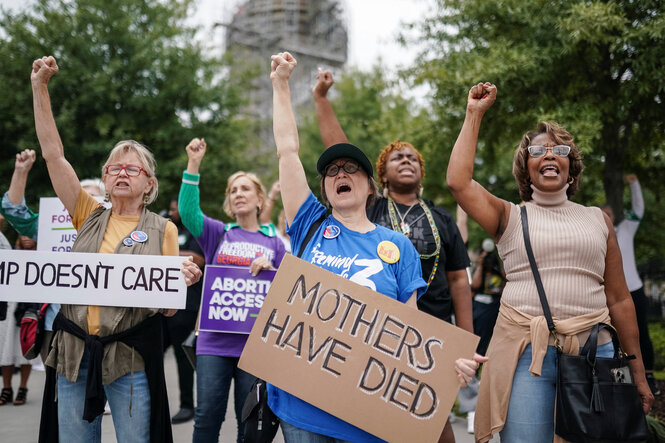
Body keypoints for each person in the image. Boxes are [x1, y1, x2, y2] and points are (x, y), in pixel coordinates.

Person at [269, 51, 476, 442]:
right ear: (326, 188)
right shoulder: (310, 223)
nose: (340, 174)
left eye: (350, 169)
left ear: (369, 186)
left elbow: (409, 334)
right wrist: (280, 84)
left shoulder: (398, 247)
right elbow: (287, 151)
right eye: (332, 171)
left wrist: (452, 363)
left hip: (368, 414)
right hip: (304, 409)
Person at [446, 82, 654, 442]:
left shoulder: (598, 219)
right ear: (526, 169)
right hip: (527, 353)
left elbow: (620, 299)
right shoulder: (508, 216)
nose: (549, 156)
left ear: (570, 166)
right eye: (538, 151)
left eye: (559, 150)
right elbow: (458, 182)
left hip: (596, 352)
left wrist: (637, 372)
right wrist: (474, 114)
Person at [31, 55, 202, 443]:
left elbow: (169, 307)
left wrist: (179, 279)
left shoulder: (163, 229)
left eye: (133, 169)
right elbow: (53, 155)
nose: (122, 173)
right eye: (114, 168)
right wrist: (40, 88)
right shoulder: (86, 212)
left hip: (130, 362)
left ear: (150, 184)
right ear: (105, 180)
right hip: (73, 357)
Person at [178, 138, 286, 443]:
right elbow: (188, 212)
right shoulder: (217, 233)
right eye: (233, 190)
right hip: (213, 343)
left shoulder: (274, 243)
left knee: (249, 422)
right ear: (229, 202)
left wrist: (273, 268)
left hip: (254, 348)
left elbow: (285, 293)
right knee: (207, 417)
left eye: (245, 189)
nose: (238, 194)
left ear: (259, 199)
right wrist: (194, 164)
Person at [1, 148, 105, 362]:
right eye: (78, 196)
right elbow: (14, 212)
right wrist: (21, 172)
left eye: (91, 197)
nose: (83, 202)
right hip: (55, 324)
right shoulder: (51, 224)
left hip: (104, 327)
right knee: (57, 392)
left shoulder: (117, 227)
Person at [601, 174, 659, 396]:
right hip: (611, 294)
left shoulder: (625, 229)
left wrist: (635, 184)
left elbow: (639, 209)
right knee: (615, 337)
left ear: (613, 216)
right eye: (602, 214)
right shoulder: (596, 235)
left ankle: (649, 377)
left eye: (609, 214)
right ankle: (622, 381)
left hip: (633, 290)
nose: (606, 217)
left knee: (640, 334)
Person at [164, 198, 205, 424]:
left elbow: (198, 259)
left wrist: (166, 255)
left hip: (188, 305)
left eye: (174, 209)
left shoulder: (197, 232)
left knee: (183, 357)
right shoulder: (169, 230)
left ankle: (187, 406)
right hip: (164, 304)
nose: (170, 212)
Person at [0, 221, 34, 407]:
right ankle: (6, 388)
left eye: (30, 235)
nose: (26, 239)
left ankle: (23, 387)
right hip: (10, 306)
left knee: (26, 349)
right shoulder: (9, 253)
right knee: (6, 348)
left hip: (29, 308)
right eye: (23, 235)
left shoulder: (41, 256)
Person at [259, 181, 291, 252]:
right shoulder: (279, 239)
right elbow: (264, 219)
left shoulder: (307, 243)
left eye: (295, 218)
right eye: (287, 218)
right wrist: (272, 196)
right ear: (283, 220)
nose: (291, 221)